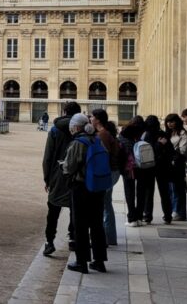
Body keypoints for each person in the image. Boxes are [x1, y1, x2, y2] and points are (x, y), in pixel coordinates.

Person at [62, 113, 108, 273]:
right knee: (97, 224)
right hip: (98, 186)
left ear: (75, 127)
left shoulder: (78, 143)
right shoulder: (97, 139)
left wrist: (63, 166)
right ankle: (99, 261)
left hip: (81, 187)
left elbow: (69, 167)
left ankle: (81, 262)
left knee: (80, 225)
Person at [41, 101, 82, 256]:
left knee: (53, 210)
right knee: (74, 209)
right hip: (76, 176)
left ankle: (49, 241)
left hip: (57, 175)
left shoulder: (55, 130)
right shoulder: (82, 129)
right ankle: (72, 238)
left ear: (64, 112)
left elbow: (48, 157)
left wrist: (47, 179)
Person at [90, 109, 121, 246]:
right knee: (106, 204)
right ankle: (110, 237)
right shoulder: (104, 133)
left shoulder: (102, 134)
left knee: (104, 205)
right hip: (111, 171)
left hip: (108, 172)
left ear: (97, 119)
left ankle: (106, 237)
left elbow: (103, 156)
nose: (90, 119)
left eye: (92, 117)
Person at [139, 115, 175, 224]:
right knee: (164, 192)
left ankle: (148, 216)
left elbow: (147, 150)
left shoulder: (145, 135)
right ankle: (168, 216)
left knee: (149, 192)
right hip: (162, 166)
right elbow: (170, 150)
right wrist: (160, 145)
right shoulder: (162, 134)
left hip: (149, 166)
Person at [118, 116, 144, 227]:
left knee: (129, 192)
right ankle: (139, 217)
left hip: (128, 167)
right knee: (141, 193)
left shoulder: (124, 134)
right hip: (142, 166)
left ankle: (132, 218)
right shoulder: (143, 134)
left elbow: (121, 150)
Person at [164, 114, 187, 221]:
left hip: (177, 164)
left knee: (177, 188)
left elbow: (182, 150)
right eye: (168, 121)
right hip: (168, 164)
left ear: (177, 122)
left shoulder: (183, 133)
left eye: (172, 121)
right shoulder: (167, 133)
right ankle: (173, 210)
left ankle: (178, 212)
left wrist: (170, 151)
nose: (169, 124)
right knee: (170, 188)